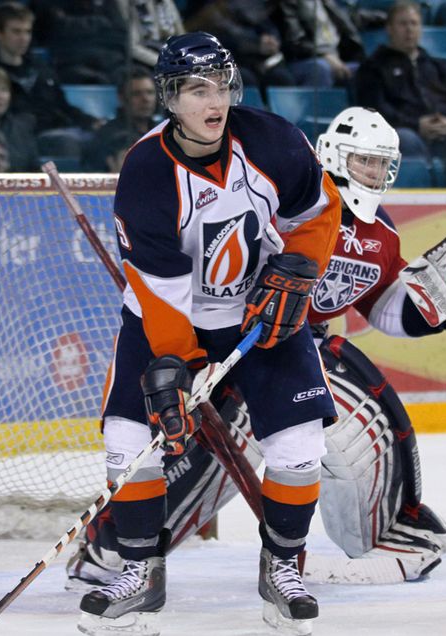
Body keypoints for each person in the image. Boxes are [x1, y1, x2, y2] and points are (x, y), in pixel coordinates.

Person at [65, 107, 446, 591]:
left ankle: (385, 528)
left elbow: (386, 308)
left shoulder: (380, 233)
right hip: (222, 347)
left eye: (381, 163)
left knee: (331, 404)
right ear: (332, 155)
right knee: (194, 449)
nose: (373, 173)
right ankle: (116, 548)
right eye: (364, 160)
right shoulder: (287, 200)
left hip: (286, 353)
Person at [75, 32, 342, 636]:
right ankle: (140, 574)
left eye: (222, 85)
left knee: (299, 443)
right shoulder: (147, 171)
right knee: (127, 440)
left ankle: (282, 567)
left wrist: (301, 266)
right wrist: (177, 365)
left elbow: (318, 212)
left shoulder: (273, 141)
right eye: (198, 89)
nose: (215, 100)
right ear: (170, 98)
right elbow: (158, 288)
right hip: (168, 317)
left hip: (262, 312)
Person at [354, 1, 446, 158]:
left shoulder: (436, 66)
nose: (409, 29)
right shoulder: (373, 67)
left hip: (444, 130)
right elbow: (375, 109)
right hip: (401, 132)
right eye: (403, 24)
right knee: (406, 139)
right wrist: (417, 124)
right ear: (389, 29)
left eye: (414, 23)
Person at [0, 2, 103, 153]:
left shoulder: (40, 67)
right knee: (68, 145)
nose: (23, 38)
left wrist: (91, 122)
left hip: (58, 130)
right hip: (23, 140)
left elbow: (63, 105)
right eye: (16, 32)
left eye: (27, 32)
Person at [184, 0, 296, 94]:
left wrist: (271, 39)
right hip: (219, 58)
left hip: (254, 59)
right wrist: (255, 44)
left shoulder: (251, 5)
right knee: (243, 78)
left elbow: (265, 24)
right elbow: (211, 35)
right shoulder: (210, 6)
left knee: (281, 78)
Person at [271, 0, 365, 88]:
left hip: (336, 59)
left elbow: (350, 20)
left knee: (363, 71)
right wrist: (324, 54)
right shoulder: (287, 3)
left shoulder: (328, 2)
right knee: (320, 69)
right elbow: (295, 41)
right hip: (301, 61)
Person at [81, 71, 162, 172]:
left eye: (150, 92)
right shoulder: (107, 136)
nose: (146, 99)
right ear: (121, 98)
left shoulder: (163, 131)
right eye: (136, 94)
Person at [126, 0, 186, 70]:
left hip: (173, 53)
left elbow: (181, 34)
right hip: (149, 61)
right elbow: (133, 48)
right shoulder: (132, 5)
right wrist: (166, 63)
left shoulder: (166, 2)